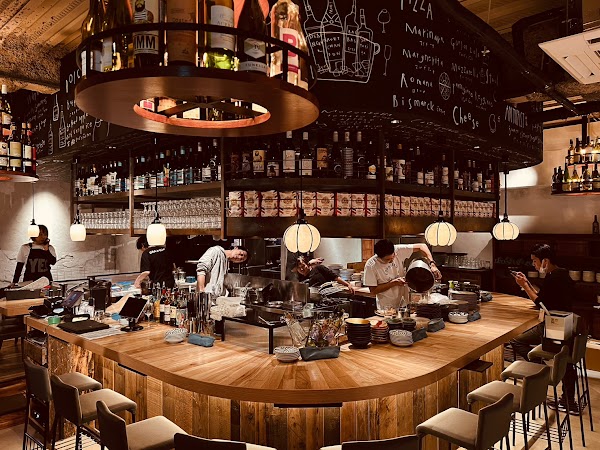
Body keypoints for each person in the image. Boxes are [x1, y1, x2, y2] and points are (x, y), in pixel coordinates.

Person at [511, 243, 578, 414]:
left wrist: (525, 286)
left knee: (516, 340)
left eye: (535, 261)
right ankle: (568, 400)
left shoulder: (553, 277)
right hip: (566, 324)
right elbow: (546, 297)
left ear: (545, 261)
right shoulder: (561, 273)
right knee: (566, 361)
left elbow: (542, 303)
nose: (533, 264)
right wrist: (527, 283)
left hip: (554, 326)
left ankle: (541, 371)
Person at [362, 239, 441, 311]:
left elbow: (422, 246)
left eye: (393, 256)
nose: (392, 260)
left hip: (405, 304)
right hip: (386, 308)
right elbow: (373, 290)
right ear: (379, 257)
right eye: (387, 259)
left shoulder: (398, 250)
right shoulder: (371, 265)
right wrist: (393, 283)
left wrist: (432, 264)